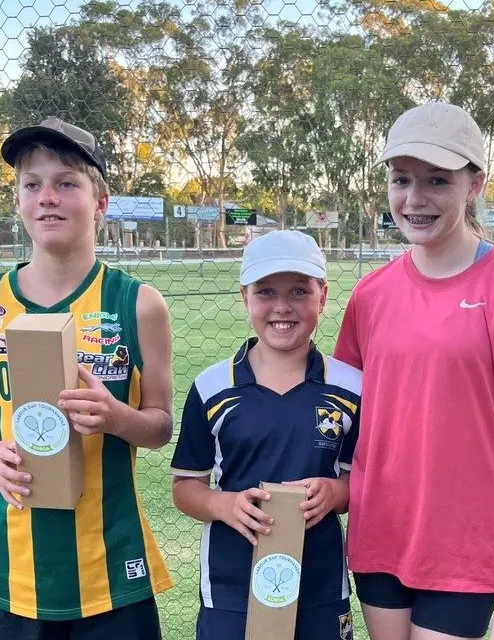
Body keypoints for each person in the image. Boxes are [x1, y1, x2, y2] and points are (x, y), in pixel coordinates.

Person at [334, 102, 494, 640]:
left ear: (474, 184)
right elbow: (340, 421)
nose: (414, 199)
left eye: (437, 180)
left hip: (464, 551)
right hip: (379, 540)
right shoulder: (370, 295)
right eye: (401, 180)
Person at [0, 117, 174, 640]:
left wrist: (117, 417)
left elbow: (161, 426)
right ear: (19, 201)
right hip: (16, 569)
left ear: (100, 202)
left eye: (66, 183)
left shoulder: (138, 304)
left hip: (112, 565)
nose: (47, 197)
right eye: (32, 184)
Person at [171, 230, 361, 640]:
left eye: (298, 291)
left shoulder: (351, 388)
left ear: (323, 296)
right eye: (266, 292)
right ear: (245, 298)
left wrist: (335, 493)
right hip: (230, 587)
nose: (282, 307)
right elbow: (186, 487)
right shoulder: (212, 387)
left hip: (320, 585)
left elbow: (360, 481)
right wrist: (225, 506)